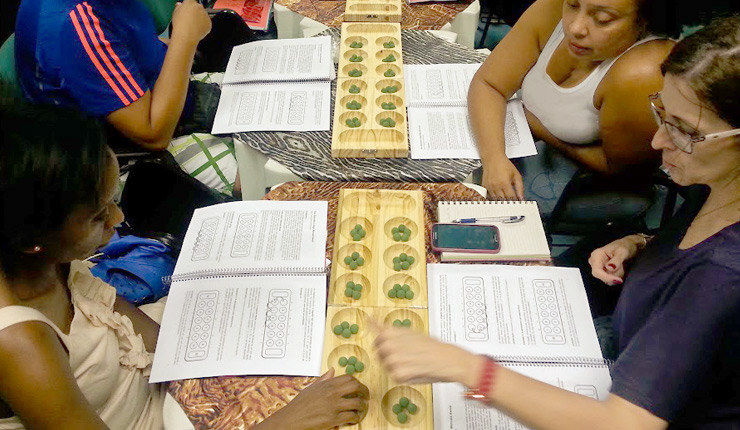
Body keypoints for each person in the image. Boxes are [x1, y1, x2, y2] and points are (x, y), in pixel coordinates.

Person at [374, 16, 740, 429]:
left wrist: (470, 370)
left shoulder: (721, 275)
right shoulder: (713, 182)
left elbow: (624, 424)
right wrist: (640, 243)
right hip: (626, 336)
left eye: (685, 131)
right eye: (663, 114)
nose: (657, 142)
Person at [0, 104, 368, 429]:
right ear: (32, 240)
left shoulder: (53, 261)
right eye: (99, 216)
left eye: (112, 199)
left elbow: (153, 341)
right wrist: (286, 421)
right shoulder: (19, 344)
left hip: (165, 393)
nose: (120, 217)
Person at [14, 0, 241, 196]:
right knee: (260, 179)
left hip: (168, 98)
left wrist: (181, 44)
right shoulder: (77, 24)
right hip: (137, 150)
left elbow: (131, 47)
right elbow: (154, 136)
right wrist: (185, 39)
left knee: (270, 97)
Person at [470, 0, 676, 201]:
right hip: (531, 150)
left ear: (644, 20)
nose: (575, 27)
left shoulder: (642, 74)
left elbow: (620, 170)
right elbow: (489, 84)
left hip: (590, 189)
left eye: (602, 19)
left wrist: (537, 126)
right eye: (572, 5)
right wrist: (494, 159)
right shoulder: (551, 8)